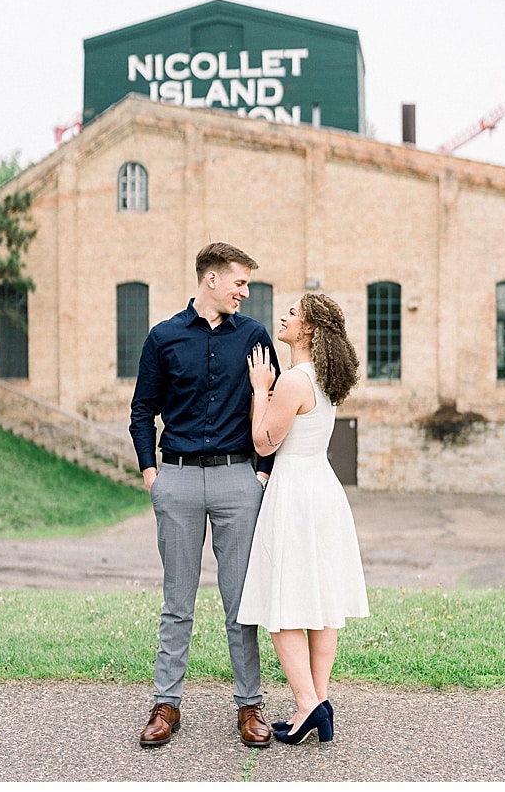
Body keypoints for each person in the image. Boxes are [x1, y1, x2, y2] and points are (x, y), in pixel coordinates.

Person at [129, 242, 281, 748]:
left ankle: (250, 704)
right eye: (239, 282)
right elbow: (141, 412)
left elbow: (275, 406)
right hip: (177, 480)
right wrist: (153, 475)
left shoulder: (256, 337)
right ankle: (166, 703)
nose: (245, 292)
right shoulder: (164, 337)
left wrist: (260, 474)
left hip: (238, 479)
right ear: (210, 279)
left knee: (241, 599)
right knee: (178, 600)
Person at [238, 293, 370, 744]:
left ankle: (307, 704)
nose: (285, 316)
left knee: (284, 605)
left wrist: (260, 389)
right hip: (323, 490)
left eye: (293, 313)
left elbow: (263, 443)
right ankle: (316, 705)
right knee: (320, 603)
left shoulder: (294, 380)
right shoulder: (325, 378)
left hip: (295, 492)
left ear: (309, 329)